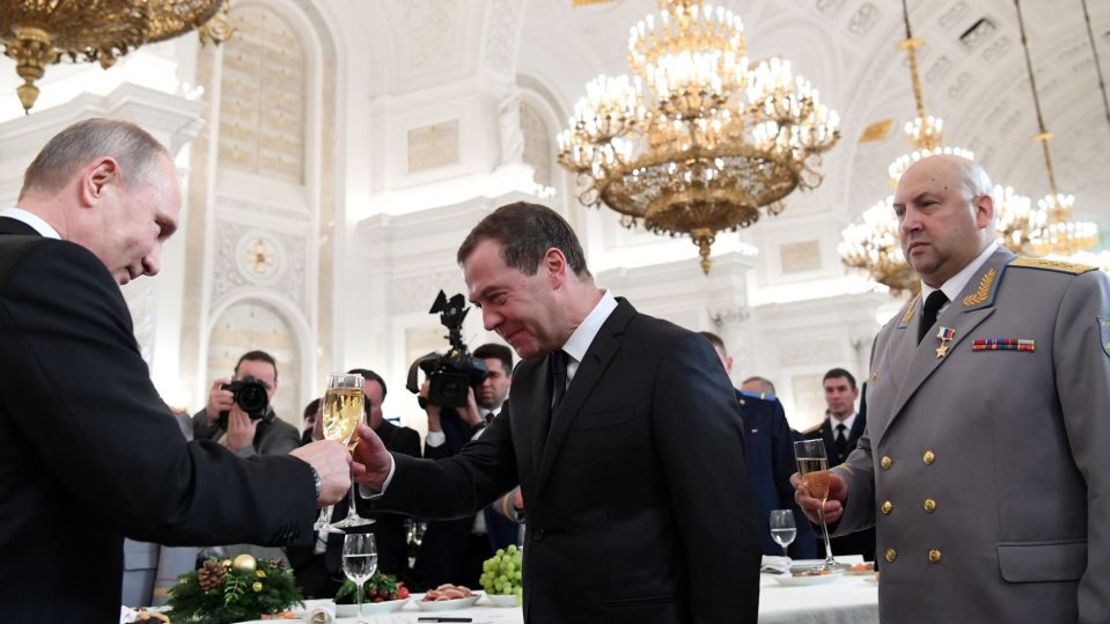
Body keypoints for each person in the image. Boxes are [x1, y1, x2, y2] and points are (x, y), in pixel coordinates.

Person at [0, 118, 351, 620]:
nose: (155, 262)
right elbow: (159, 483)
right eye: (158, 226)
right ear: (98, 181)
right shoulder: (50, 270)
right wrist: (304, 477)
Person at [353, 201, 761, 623]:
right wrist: (387, 472)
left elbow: (723, 534)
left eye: (496, 297)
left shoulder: (671, 356)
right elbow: (470, 478)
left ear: (553, 266)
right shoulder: (531, 376)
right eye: (479, 306)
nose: (489, 321)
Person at [792, 154, 1110, 622]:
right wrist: (846, 486)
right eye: (900, 212)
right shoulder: (890, 336)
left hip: (1024, 605)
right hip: (913, 603)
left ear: (982, 211)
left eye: (928, 204)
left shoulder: (1063, 296)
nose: (910, 224)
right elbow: (878, 449)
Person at [413, 343, 521, 589]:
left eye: (493, 376)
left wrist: (475, 422)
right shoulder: (452, 419)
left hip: (503, 545)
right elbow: (436, 475)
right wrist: (434, 417)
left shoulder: (521, 421)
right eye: (480, 376)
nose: (485, 383)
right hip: (451, 547)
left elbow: (502, 466)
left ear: (510, 379)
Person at [700, 332, 816, 559]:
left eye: (713, 360)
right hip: (708, 550)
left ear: (729, 363)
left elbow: (790, 483)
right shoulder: (675, 417)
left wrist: (803, 556)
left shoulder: (763, 411)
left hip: (766, 547)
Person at [801, 368, 875, 561]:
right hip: (829, 538)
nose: (835, 396)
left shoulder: (873, 433)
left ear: (855, 393)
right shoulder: (809, 438)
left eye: (841, 389)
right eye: (830, 390)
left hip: (868, 536)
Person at [193, 350, 300, 457]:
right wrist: (209, 417)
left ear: (274, 387)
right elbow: (187, 449)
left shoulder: (284, 434)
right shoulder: (220, 416)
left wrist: (242, 449)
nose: (254, 391)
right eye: (247, 382)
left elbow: (275, 473)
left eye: (263, 385)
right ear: (234, 380)